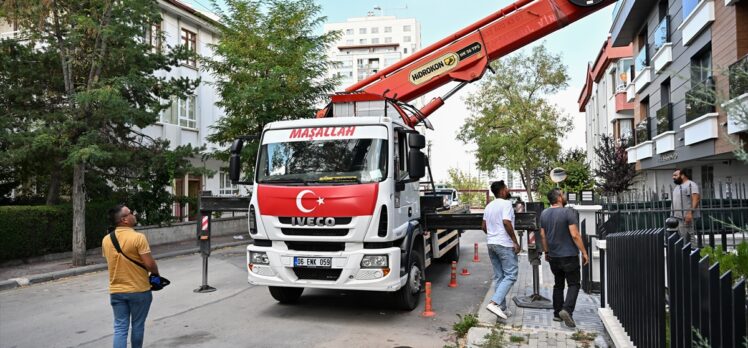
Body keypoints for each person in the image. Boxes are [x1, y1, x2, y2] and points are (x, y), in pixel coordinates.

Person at [102, 205, 159, 348]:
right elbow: (149, 264)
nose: (134, 215)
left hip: (117, 291)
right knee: (138, 325)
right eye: (131, 213)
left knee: (120, 328)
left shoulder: (106, 240)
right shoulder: (138, 238)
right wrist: (156, 274)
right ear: (124, 220)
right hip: (139, 289)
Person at [539, 189, 589, 328]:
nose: (565, 196)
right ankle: (567, 310)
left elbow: (542, 235)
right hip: (569, 256)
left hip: (553, 256)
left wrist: (546, 251)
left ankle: (557, 314)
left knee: (558, 284)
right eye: (563, 194)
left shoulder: (544, 213)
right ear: (559, 198)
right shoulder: (568, 212)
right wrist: (584, 252)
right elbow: (575, 235)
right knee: (574, 284)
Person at [482, 181, 520, 319]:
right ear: (503, 191)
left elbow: (484, 226)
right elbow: (506, 222)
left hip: (491, 244)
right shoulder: (506, 204)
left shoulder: (489, 206)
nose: (508, 189)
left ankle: (501, 309)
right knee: (511, 275)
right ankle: (494, 303)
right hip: (504, 244)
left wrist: (493, 236)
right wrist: (515, 241)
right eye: (506, 188)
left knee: (499, 276)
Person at [671, 168, 700, 247]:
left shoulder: (690, 184)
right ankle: (686, 254)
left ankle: (694, 255)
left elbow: (696, 199)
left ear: (683, 175)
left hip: (686, 217)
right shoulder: (678, 186)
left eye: (675, 175)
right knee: (682, 237)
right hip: (678, 217)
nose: (673, 177)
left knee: (689, 237)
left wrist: (690, 213)